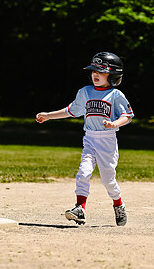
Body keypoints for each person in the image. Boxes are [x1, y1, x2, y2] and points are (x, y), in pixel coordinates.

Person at [35, 52, 134, 226]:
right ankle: (80, 208)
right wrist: (48, 116)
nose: (95, 74)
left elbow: (127, 115)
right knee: (83, 173)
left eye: (100, 71)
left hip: (107, 141)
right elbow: (70, 111)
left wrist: (114, 123)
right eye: (93, 70)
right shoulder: (85, 92)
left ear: (113, 75)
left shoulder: (116, 95)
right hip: (89, 138)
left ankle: (118, 204)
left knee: (108, 180)